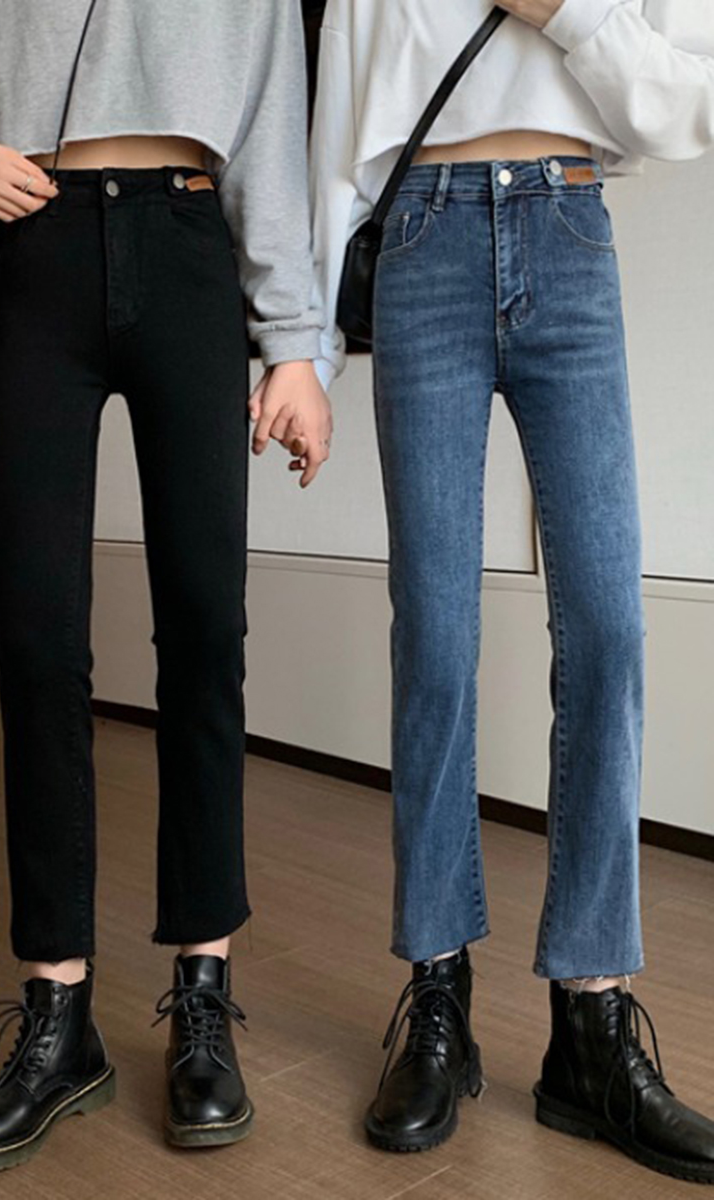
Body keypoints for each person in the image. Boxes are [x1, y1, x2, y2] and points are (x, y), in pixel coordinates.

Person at [0, 0, 332, 1173]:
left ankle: (203, 993)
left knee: (203, 631)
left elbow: (269, 131)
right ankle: (57, 1015)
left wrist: (293, 342)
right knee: (37, 638)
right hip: (37, 249)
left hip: (190, 242)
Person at [309, 0, 714, 1182]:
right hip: (419, 239)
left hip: (567, 224)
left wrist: (563, 12)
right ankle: (436, 995)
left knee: (608, 630)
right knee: (434, 634)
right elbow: (336, 145)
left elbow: (690, 101)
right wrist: (302, 353)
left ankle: (589, 1028)